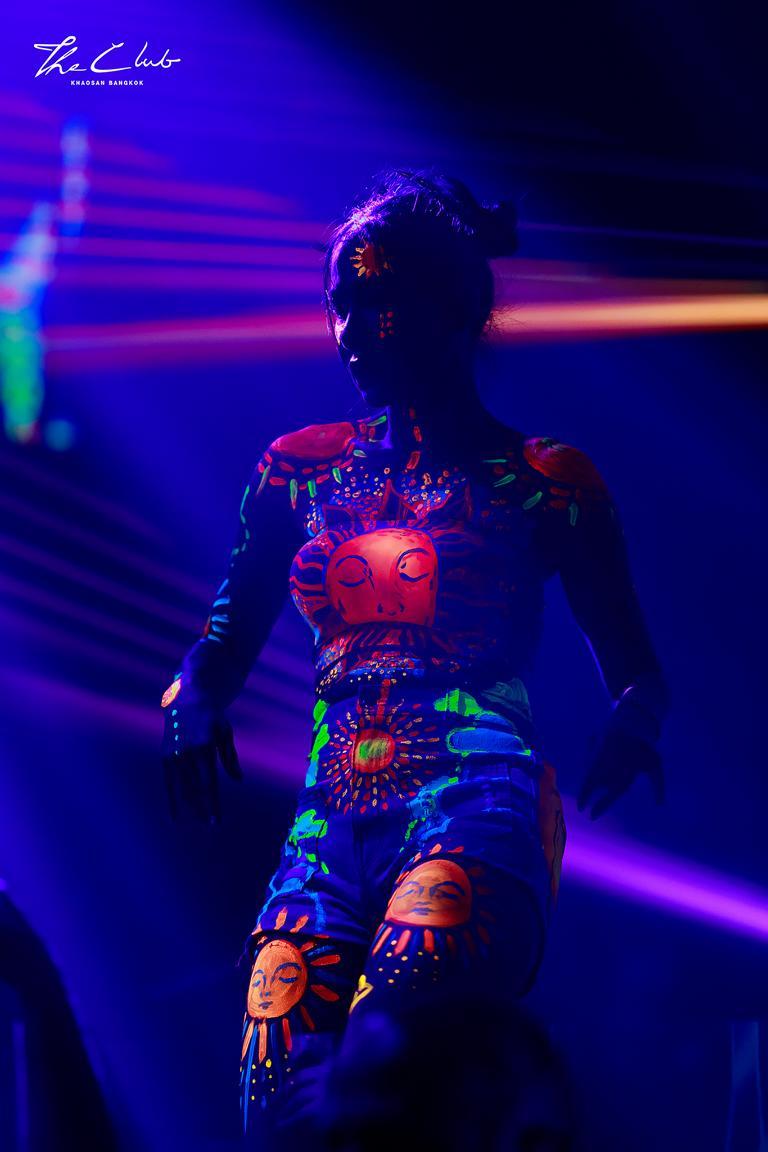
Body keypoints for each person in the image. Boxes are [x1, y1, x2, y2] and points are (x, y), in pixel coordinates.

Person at [161, 168, 670, 1149]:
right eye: (339, 305)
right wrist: (191, 699)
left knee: (388, 1075)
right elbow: (220, 644)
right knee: (277, 1108)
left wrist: (633, 724)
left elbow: (638, 667)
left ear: (455, 308)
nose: (351, 330)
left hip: (476, 806)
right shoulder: (295, 470)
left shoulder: (546, 480)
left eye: (378, 301)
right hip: (325, 831)